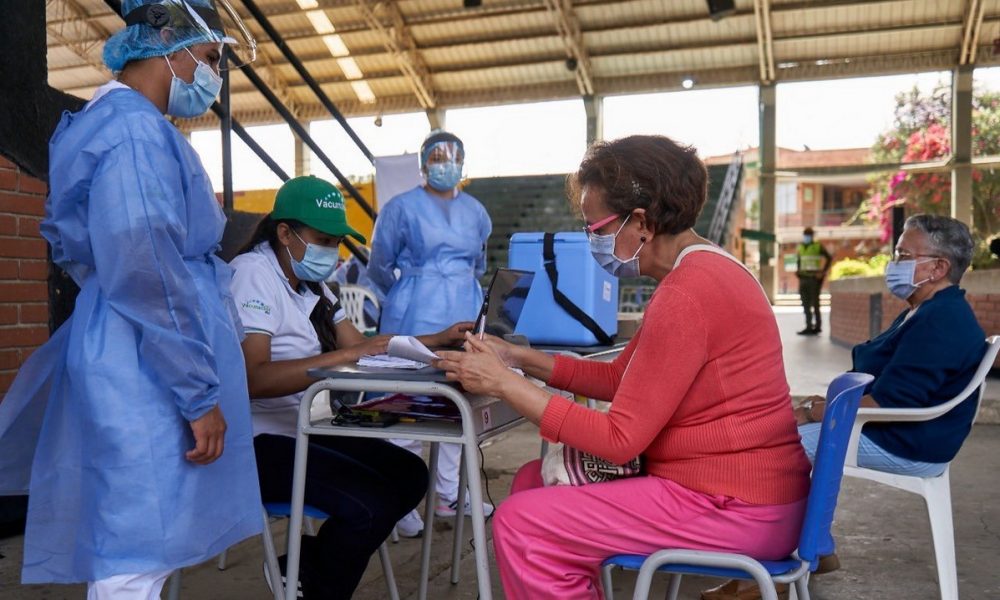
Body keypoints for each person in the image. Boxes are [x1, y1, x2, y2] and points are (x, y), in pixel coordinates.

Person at [432, 135, 813, 599]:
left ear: (642, 222)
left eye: (597, 228)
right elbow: (618, 379)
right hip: (743, 494)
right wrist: (518, 357)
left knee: (521, 523)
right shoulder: (702, 271)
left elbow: (619, 440)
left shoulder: (687, 294)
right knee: (533, 481)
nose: (592, 240)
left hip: (734, 506)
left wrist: (505, 384)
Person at [0, 2, 261, 597]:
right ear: (168, 44)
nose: (213, 75)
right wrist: (199, 394)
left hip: (125, 337)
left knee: (138, 537)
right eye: (211, 57)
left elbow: (81, 246)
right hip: (147, 360)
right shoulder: (136, 133)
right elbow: (148, 271)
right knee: (137, 548)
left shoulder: (102, 123)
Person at [230, 175, 473, 597]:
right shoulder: (252, 274)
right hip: (256, 441)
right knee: (369, 505)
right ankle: (314, 582)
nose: (331, 251)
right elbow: (253, 379)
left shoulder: (310, 284)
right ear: (284, 233)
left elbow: (362, 346)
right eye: (323, 240)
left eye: (336, 242)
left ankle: (304, 568)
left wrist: (437, 340)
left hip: (302, 428)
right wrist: (344, 356)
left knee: (409, 474)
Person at [368, 130, 494, 533]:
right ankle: (399, 499)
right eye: (437, 157)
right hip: (414, 311)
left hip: (464, 307)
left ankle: (448, 493)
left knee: (456, 399)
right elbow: (379, 265)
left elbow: (478, 264)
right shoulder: (400, 207)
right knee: (406, 401)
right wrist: (404, 295)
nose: (446, 164)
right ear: (423, 164)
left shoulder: (476, 211)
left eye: (453, 157)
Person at [796, 226, 832, 335]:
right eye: (805, 235)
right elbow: (799, 261)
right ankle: (808, 326)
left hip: (814, 278)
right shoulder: (801, 247)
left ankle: (817, 326)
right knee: (805, 303)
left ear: (812, 236)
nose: (807, 237)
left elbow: (829, 258)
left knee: (815, 303)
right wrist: (798, 271)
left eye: (809, 235)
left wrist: (823, 272)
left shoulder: (818, 246)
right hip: (803, 278)